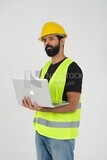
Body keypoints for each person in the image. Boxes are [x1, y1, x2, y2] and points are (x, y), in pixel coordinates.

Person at [22, 21, 83, 160]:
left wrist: (43, 108)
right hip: (41, 134)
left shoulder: (72, 69)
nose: (47, 43)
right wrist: (31, 102)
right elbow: (43, 98)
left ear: (62, 41)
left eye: (51, 38)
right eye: (44, 40)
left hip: (61, 138)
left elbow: (72, 106)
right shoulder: (45, 68)